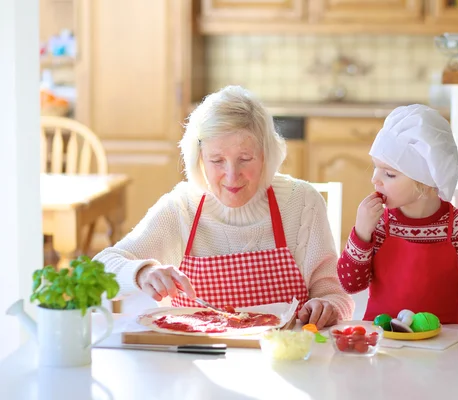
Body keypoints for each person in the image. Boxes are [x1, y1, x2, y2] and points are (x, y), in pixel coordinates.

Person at [94, 85, 353, 329]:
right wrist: (142, 272)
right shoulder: (181, 208)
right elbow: (102, 267)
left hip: (280, 360)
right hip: (199, 360)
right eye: (217, 160)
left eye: (245, 159)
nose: (232, 176)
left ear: (266, 154)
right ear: (199, 159)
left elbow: (335, 293)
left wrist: (327, 306)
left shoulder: (303, 203)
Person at [336, 104, 458, 339]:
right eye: (376, 168)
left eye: (389, 174)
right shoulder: (378, 224)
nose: (375, 179)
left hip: (442, 345)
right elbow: (350, 285)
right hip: (381, 342)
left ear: (425, 183)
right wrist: (361, 233)